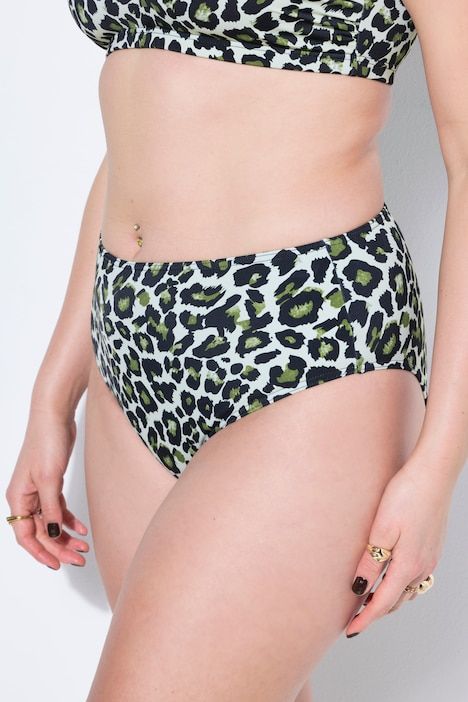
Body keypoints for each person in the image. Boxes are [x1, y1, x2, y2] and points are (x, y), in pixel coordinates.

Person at [5, 1, 468, 699]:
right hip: (128, 344)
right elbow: (146, 118)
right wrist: (52, 393)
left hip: (308, 343)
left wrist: (437, 468)